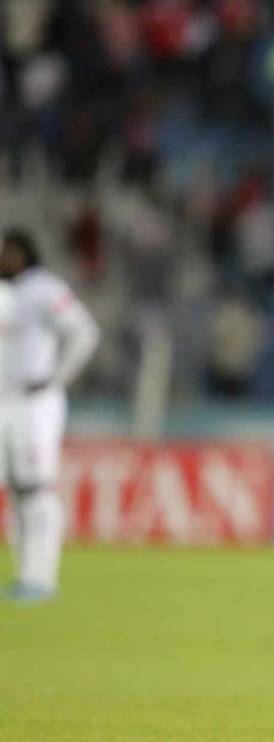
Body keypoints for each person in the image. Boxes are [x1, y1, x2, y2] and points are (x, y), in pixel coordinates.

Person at [0, 228, 98, 602]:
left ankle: (42, 578)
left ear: (22, 253)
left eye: (7, 251)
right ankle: (25, 574)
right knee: (16, 491)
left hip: (36, 401)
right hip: (6, 402)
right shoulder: (6, 294)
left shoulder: (44, 288)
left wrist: (58, 378)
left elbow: (85, 331)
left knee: (37, 488)